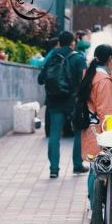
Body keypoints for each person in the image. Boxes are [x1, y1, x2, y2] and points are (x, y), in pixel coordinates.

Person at [38, 31, 89, 179]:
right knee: (79, 132)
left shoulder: (52, 56)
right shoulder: (78, 57)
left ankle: (54, 169)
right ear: (73, 42)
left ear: (59, 42)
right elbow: (84, 81)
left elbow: (41, 79)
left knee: (54, 135)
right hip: (73, 101)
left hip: (54, 101)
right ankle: (77, 165)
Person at [78, 44, 112, 202]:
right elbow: (106, 112)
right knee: (97, 168)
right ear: (110, 59)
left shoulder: (92, 75)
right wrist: (111, 135)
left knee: (93, 166)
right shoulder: (103, 80)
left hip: (90, 127)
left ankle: (92, 203)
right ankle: (93, 204)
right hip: (99, 131)